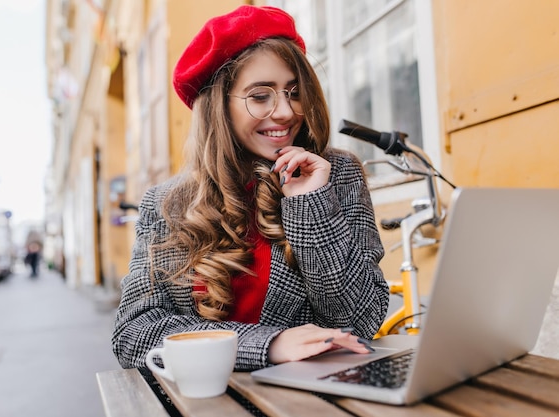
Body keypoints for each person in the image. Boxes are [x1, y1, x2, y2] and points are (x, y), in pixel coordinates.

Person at [112, 5, 389, 375]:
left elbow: (360, 319)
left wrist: (310, 204)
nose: (286, 111)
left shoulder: (337, 175)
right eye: (261, 96)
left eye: (294, 92)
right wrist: (268, 344)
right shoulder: (167, 204)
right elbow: (134, 334)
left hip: (309, 399)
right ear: (219, 108)